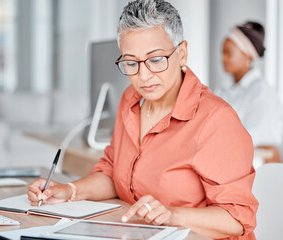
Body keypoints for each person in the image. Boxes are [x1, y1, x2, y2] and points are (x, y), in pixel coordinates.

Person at [28, 1, 258, 239]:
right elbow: (112, 172)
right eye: (131, 62)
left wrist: (171, 215)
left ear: (182, 54)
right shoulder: (130, 100)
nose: (143, 76)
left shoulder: (215, 119)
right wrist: (70, 191)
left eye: (156, 59)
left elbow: (238, 219)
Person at [215, 21, 283, 165]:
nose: (223, 59)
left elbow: (250, 139)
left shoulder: (263, 93)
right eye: (222, 52)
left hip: (255, 170)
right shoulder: (223, 89)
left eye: (228, 53)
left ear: (247, 56)